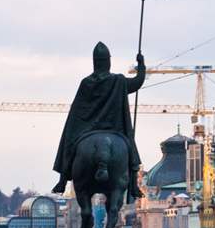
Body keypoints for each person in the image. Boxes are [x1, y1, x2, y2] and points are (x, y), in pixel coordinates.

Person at [51, 42, 145, 200]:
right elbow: (137, 82)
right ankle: (134, 185)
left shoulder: (86, 83)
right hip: (115, 129)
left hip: (87, 129)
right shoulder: (119, 81)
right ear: (108, 61)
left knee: (69, 135)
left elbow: (77, 112)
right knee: (130, 146)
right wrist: (141, 65)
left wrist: (76, 126)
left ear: (94, 62)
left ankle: (63, 178)